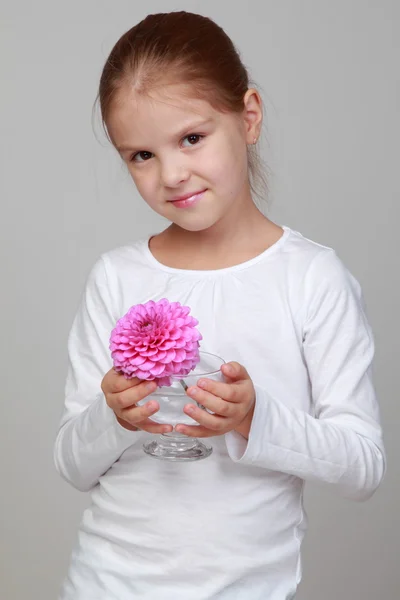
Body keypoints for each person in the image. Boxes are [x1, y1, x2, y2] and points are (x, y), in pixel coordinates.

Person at [54, 10, 386, 600]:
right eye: (140, 155)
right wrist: (115, 415)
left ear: (248, 116)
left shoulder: (311, 277)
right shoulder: (117, 276)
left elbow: (363, 465)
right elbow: (73, 464)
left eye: (191, 138)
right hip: (106, 583)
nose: (172, 175)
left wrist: (254, 417)